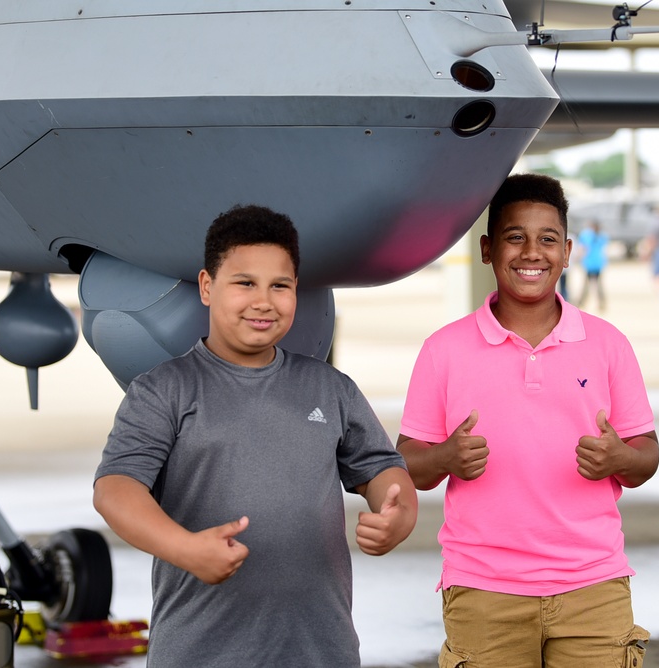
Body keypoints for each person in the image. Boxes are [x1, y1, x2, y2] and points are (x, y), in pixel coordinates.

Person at [93, 204, 417, 668]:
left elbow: (383, 470)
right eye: (244, 283)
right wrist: (185, 549)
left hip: (322, 652)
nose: (263, 301)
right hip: (200, 653)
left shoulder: (330, 387)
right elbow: (114, 490)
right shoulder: (164, 390)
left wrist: (398, 512)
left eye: (279, 286)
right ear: (208, 287)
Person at [396, 173, 659, 668]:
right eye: (515, 237)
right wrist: (444, 456)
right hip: (482, 589)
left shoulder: (608, 344)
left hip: (593, 587)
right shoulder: (444, 350)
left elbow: (646, 456)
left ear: (567, 251)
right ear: (488, 250)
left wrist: (620, 457)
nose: (531, 252)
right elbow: (407, 463)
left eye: (548, 240)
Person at [575, 219, 608, 312]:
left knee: (586, 285)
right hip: (598, 262)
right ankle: (602, 303)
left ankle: (581, 302)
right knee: (599, 285)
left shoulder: (586, 235)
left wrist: (578, 258)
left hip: (589, 262)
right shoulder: (602, 235)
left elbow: (582, 248)